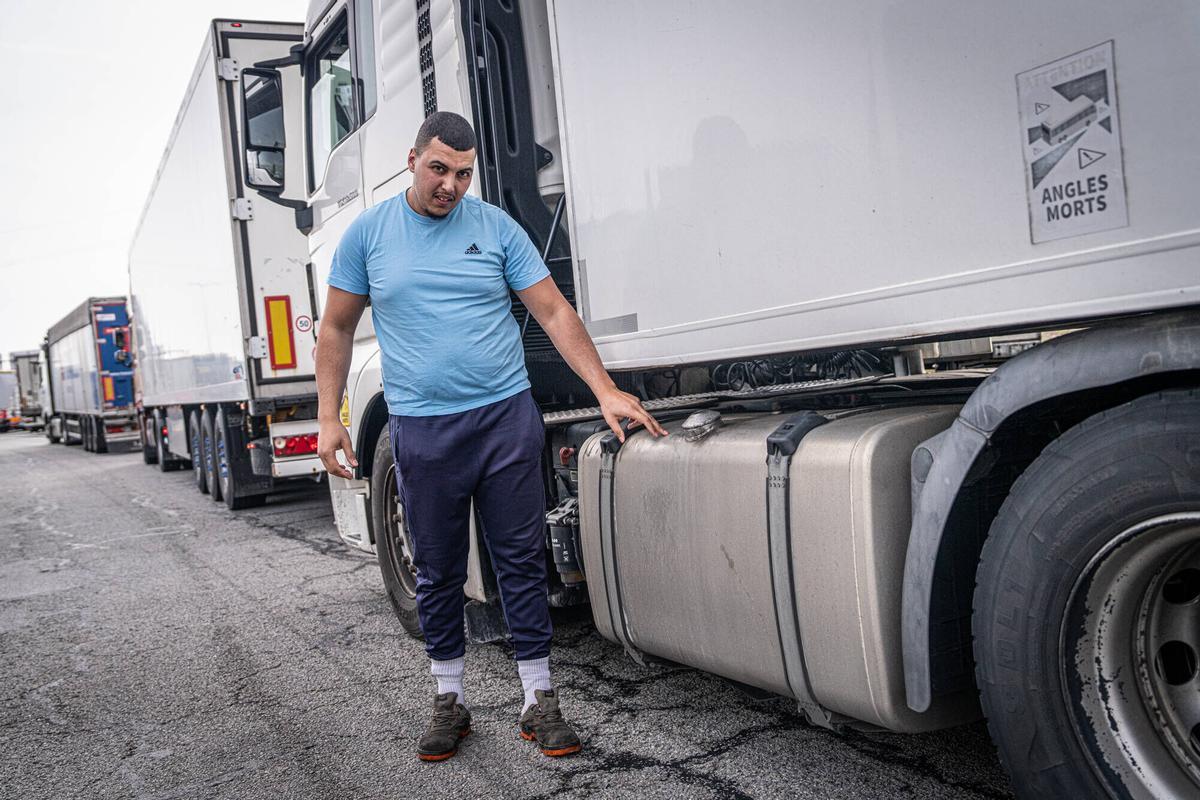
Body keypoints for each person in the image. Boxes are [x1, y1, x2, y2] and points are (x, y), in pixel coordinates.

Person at [315, 111, 666, 761]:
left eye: (463, 173)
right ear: (412, 157)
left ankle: (539, 700)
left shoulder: (496, 229)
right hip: (422, 427)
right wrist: (329, 417)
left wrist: (605, 389)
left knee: (521, 563)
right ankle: (449, 699)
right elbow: (335, 328)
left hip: (505, 419)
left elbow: (553, 309)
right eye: (438, 168)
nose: (450, 184)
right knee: (439, 569)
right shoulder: (369, 235)